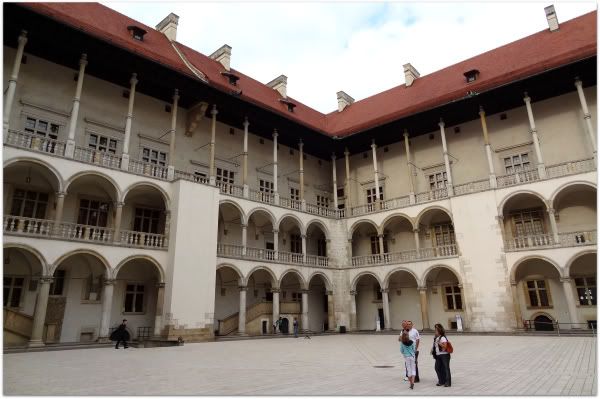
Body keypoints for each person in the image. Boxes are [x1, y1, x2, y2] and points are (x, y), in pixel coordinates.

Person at [432, 323, 451, 387]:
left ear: (439, 331)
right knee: (437, 368)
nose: (435, 331)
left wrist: (439, 343)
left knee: (446, 368)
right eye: (435, 330)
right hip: (438, 355)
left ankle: (448, 382)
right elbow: (435, 346)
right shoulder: (436, 338)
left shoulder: (443, 337)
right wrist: (432, 349)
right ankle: (441, 381)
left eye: (436, 330)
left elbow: (445, 346)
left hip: (444, 355)